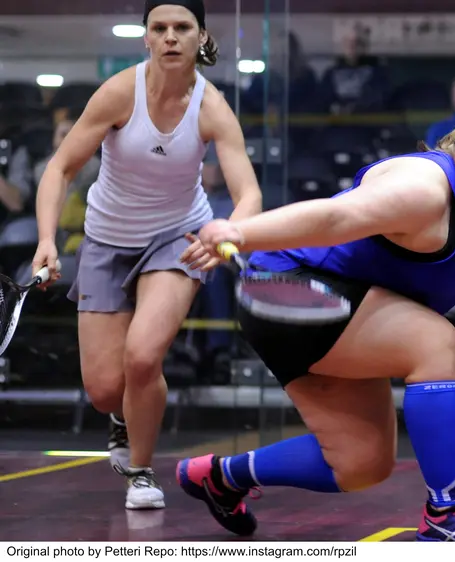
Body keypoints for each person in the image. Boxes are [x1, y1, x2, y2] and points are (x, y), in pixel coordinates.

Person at [175, 96, 455, 541]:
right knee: (435, 343)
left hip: (343, 309)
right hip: (292, 292)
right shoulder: (421, 190)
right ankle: (447, 515)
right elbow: (335, 217)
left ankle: (220, 477)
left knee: (360, 464)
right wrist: (241, 232)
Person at [31, 0, 263, 509]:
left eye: (182, 27)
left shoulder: (211, 107)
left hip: (177, 238)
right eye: (159, 28)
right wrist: (47, 239)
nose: (170, 37)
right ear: (146, 38)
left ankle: (140, 470)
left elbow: (248, 194)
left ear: (201, 36)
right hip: (105, 238)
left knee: (142, 356)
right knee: (104, 390)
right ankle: (121, 416)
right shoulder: (119, 92)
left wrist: (229, 232)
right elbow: (60, 168)